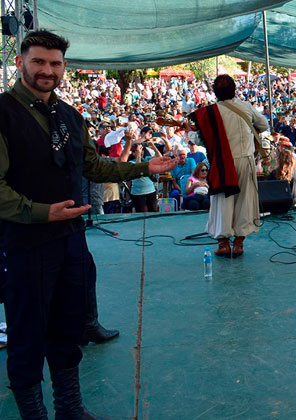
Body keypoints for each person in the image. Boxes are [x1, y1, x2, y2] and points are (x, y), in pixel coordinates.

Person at [0, 30, 176, 419]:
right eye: (38, 62)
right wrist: (43, 212)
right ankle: (34, 414)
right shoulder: (3, 113)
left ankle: (70, 408)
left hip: (71, 238)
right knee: (27, 335)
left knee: (67, 327)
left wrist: (142, 167)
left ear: (64, 67)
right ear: (20, 63)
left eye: (55, 63)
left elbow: (93, 166)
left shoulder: (68, 115)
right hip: (27, 242)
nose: (47, 70)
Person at [187, 75, 269, 257]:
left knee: (222, 202)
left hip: (223, 162)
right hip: (246, 160)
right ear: (234, 89)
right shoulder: (245, 106)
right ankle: (239, 244)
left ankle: (223, 244)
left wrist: (190, 133)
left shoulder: (210, 113)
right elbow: (263, 124)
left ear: (215, 92)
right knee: (244, 201)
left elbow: (200, 139)